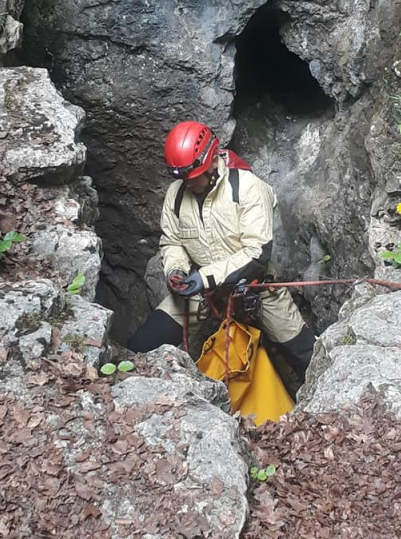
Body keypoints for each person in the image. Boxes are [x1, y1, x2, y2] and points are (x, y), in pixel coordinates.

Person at [127, 120, 315, 382]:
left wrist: (204, 278)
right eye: (182, 178)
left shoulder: (247, 188)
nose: (188, 184)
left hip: (256, 289)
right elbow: (172, 241)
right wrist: (175, 270)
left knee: (305, 355)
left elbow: (257, 254)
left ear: (213, 160)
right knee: (142, 344)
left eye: (193, 178)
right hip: (202, 292)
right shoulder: (177, 194)